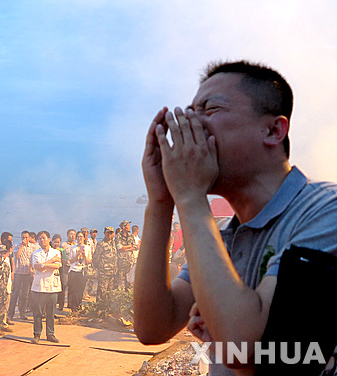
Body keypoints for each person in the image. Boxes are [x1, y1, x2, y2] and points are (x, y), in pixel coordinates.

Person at [134, 60, 337, 375]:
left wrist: (190, 196)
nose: (191, 123)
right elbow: (153, 326)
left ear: (273, 130)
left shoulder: (325, 211)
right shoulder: (225, 235)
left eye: (210, 109)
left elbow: (243, 349)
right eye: (190, 111)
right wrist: (161, 201)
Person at [30, 231, 62, 344]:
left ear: (49, 239)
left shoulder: (56, 252)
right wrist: (51, 262)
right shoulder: (35, 253)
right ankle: (37, 334)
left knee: (50, 312)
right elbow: (38, 267)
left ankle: (50, 334)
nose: (41, 240)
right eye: (39, 239)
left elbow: (57, 265)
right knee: (38, 313)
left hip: (53, 286)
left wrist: (44, 264)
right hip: (39, 286)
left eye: (43, 238)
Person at [8, 231, 35, 321]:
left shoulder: (32, 247)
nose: (25, 239)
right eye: (23, 237)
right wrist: (22, 246)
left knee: (25, 294)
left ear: (29, 238)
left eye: (26, 237)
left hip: (28, 273)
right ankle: (10, 314)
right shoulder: (17, 245)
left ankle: (22, 313)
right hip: (18, 272)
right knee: (15, 294)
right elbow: (17, 256)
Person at [67, 231, 92, 312]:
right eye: (78, 236)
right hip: (74, 270)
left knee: (80, 290)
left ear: (84, 238)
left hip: (83, 270)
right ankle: (73, 307)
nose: (79, 238)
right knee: (73, 290)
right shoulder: (73, 247)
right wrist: (77, 256)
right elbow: (70, 261)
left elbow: (89, 261)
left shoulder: (87, 247)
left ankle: (79, 305)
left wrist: (84, 254)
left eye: (81, 237)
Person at [0, 239, 13, 338]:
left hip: (4, 291)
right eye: (0, 253)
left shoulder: (7, 262)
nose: (3, 255)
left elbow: (8, 278)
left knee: (2, 313)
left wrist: (8, 290)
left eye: (4, 253)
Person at [93, 226, 118, 301]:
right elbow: (96, 258)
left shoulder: (114, 243)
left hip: (113, 272)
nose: (109, 235)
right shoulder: (101, 244)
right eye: (107, 233)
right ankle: (100, 309)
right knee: (102, 292)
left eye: (111, 233)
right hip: (104, 273)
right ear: (104, 233)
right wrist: (100, 267)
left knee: (110, 292)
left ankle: (108, 309)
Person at [115, 220, 137, 291]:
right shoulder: (118, 236)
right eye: (127, 226)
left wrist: (125, 248)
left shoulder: (131, 236)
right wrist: (129, 246)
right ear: (124, 227)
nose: (129, 227)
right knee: (119, 282)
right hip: (121, 263)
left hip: (130, 263)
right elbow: (119, 247)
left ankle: (127, 298)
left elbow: (135, 247)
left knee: (129, 283)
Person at [52, 234, 68, 311]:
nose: (56, 244)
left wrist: (60, 256)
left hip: (60, 269)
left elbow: (65, 261)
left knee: (63, 285)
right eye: (55, 242)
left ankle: (61, 304)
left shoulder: (62, 250)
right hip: (52, 270)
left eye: (58, 242)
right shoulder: (50, 250)